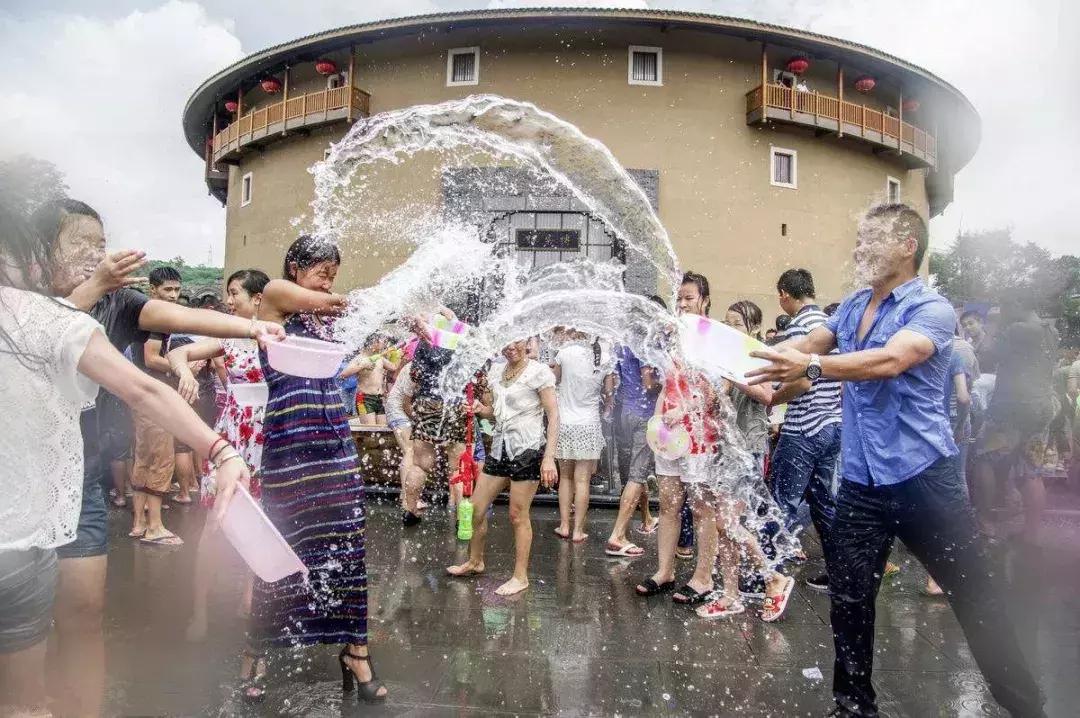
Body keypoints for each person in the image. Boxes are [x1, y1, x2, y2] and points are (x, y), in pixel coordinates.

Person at [747, 203, 1043, 718]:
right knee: (849, 600)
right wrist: (758, 366)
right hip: (861, 483)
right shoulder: (855, 303)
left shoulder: (930, 308)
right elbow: (813, 343)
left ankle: (1027, 706)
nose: (860, 248)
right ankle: (853, 707)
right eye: (859, 239)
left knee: (975, 598)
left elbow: (892, 359)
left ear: (908, 246)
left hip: (925, 479)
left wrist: (810, 367)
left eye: (872, 239)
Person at [30, 198, 283, 718]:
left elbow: (184, 322)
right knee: (22, 616)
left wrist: (252, 328)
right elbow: (40, 338)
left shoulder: (120, 303)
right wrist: (94, 285)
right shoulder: (22, 299)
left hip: (80, 477)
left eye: (99, 244)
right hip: (17, 475)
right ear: (41, 254)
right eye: (80, 244)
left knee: (82, 610)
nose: (96, 254)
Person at [245, 235, 386, 703]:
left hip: (333, 444)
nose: (328, 278)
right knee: (278, 549)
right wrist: (380, 297)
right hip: (289, 445)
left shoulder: (328, 324)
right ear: (294, 267)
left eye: (333, 270)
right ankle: (258, 652)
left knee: (347, 547)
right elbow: (332, 303)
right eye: (320, 269)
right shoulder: (276, 299)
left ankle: (356, 652)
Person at [167, 269, 271, 642]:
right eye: (227, 294)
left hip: (267, 439)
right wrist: (185, 372)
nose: (229, 301)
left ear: (258, 299)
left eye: (235, 294)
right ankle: (199, 609)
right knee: (213, 525)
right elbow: (179, 351)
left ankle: (248, 598)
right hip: (233, 439)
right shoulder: (227, 336)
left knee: (260, 524)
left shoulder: (276, 336)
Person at [694, 300, 793, 621]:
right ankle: (731, 593)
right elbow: (714, 403)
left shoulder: (756, 353)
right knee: (725, 525)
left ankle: (772, 577)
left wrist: (730, 374)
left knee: (727, 522)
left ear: (751, 328)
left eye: (736, 323)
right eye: (726, 322)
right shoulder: (725, 356)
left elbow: (766, 396)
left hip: (747, 446)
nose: (729, 328)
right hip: (725, 446)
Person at [634, 272, 722, 608]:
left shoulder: (712, 337)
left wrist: (683, 410)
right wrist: (656, 419)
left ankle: (703, 577)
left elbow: (717, 392)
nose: (682, 304)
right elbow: (668, 386)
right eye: (679, 298)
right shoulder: (674, 339)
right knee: (669, 505)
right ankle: (664, 571)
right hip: (669, 435)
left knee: (701, 508)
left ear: (705, 299)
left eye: (689, 297)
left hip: (700, 436)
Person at [447, 339, 559, 596]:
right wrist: (480, 409)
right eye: (505, 343)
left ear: (527, 341)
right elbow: (495, 414)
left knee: (517, 515)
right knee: (475, 510)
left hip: (528, 450)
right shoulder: (497, 372)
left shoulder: (539, 372)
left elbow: (553, 414)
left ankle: (520, 577)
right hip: (500, 448)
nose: (510, 348)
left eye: (516, 342)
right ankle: (475, 561)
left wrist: (549, 457)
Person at [767, 268, 841, 593]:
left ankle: (767, 577)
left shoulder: (799, 326)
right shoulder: (826, 324)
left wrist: (771, 398)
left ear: (785, 294)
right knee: (825, 503)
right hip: (831, 427)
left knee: (779, 501)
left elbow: (803, 380)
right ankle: (841, 574)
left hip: (803, 429)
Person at [972, 294, 1059, 542]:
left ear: (1020, 302)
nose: (1004, 309)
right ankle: (1032, 532)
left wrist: (992, 324)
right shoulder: (1049, 330)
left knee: (984, 459)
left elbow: (987, 355)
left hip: (1010, 410)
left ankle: (986, 523)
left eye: (1008, 304)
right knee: (1032, 470)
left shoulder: (1017, 329)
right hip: (1041, 408)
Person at [128, 266, 192, 543]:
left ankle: (139, 524)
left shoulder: (147, 313)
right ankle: (155, 527)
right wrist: (182, 369)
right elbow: (151, 358)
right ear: (153, 289)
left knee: (144, 459)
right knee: (161, 461)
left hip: (142, 397)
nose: (174, 295)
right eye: (168, 289)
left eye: (177, 290)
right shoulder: (157, 318)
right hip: (154, 397)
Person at [553, 331, 615, 543]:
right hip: (588, 425)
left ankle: (564, 525)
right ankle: (578, 530)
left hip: (565, 423)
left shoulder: (564, 352)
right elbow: (608, 395)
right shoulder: (606, 358)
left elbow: (554, 380)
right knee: (582, 480)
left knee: (566, 478)